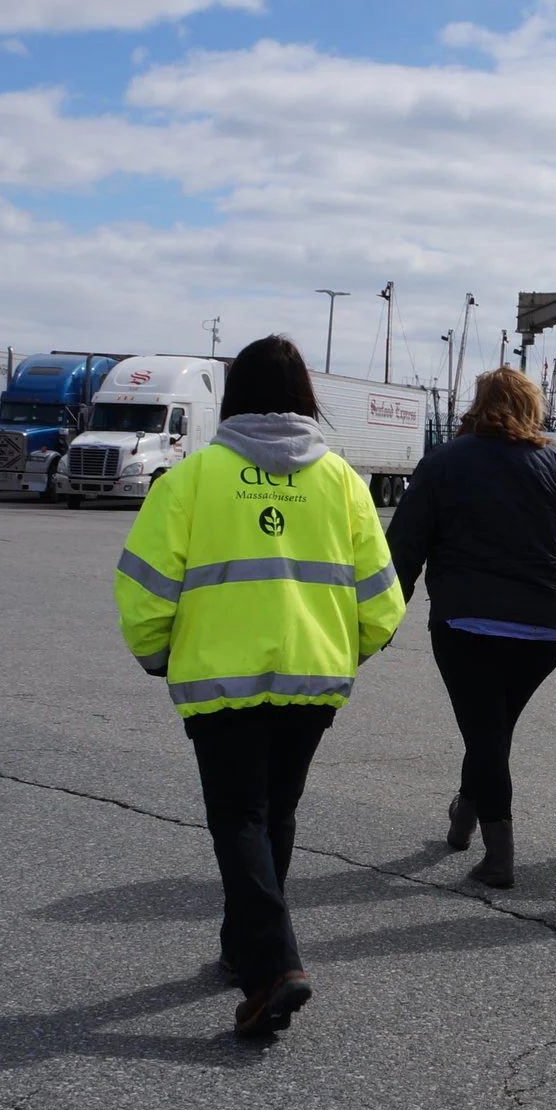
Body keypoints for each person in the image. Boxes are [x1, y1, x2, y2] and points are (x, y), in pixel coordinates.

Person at [112, 335, 406, 1037]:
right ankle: (240, 944)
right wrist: (343, 652)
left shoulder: (190, 479)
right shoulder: (344, 482)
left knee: (239, 816)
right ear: (306, 397)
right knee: (275, 812)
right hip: (314, 680)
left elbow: (145, 591)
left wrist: (159, 657)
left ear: (234, 397)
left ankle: (275, 965)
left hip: (220, 680)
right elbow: (382, 602)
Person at [387, 368, 556, 889]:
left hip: (466, 622)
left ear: (479, 405)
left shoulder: (442, 463)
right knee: (492, 726)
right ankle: (463, 818)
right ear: (533, 408)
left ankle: (499, 854)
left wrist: (382, 614)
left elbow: (404, 549)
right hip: (544, 628)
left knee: (485, 729)